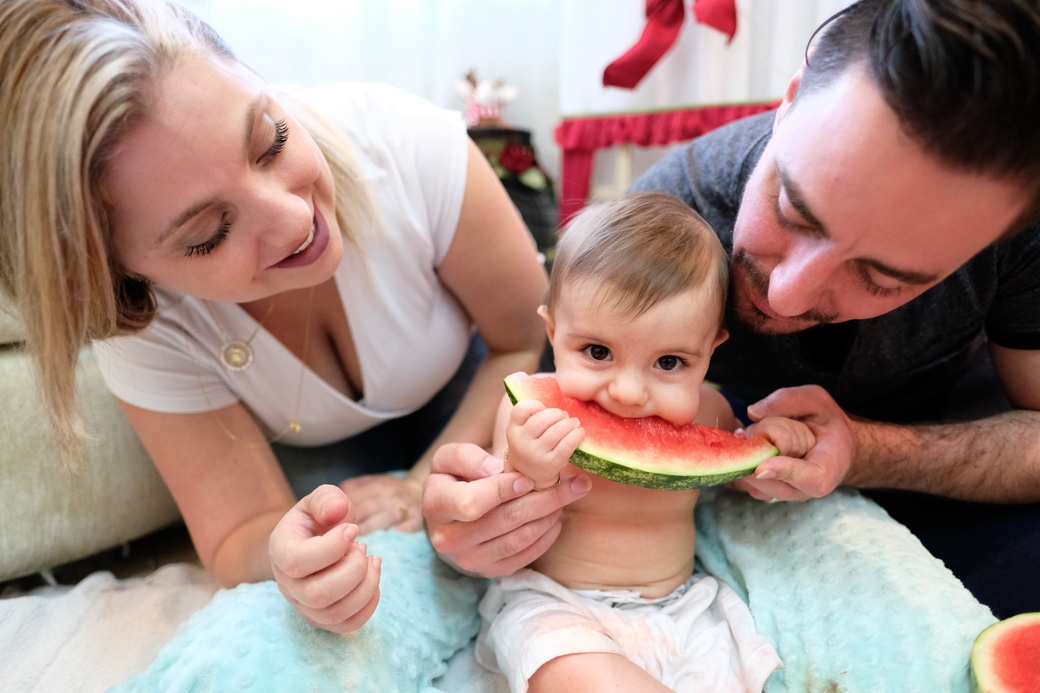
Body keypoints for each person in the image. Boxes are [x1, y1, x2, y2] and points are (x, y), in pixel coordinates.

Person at [422, 0, 1040, 620]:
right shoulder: (649, 235)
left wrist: (871, 450)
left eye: (880, 277)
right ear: (789, 100)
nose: (785, 296)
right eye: (792, 211)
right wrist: (464, 520)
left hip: (944, 434)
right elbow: (520, 407)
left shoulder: (1023, 233)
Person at [0, 0, 548, 633]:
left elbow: (526, 341)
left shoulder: (406, 141)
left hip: (480, 383)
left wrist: (421, 484)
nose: (295, 222)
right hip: (325, 466)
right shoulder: (144, 324)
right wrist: (291, 559)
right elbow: (239, 532)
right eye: (207, 235)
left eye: (272, 142)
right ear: (125, 279)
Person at [475, 192, 813, 692]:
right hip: (555, 605)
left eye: (670, 363)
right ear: (552, 331)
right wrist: (526, 465)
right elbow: (497, 507)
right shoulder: (528, 412)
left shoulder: (713, 415)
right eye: (597, 351)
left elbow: (741, 480)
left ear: (710, 351)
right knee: (570, 670)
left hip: (688, 609)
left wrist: (772, 451)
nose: (629, 393)